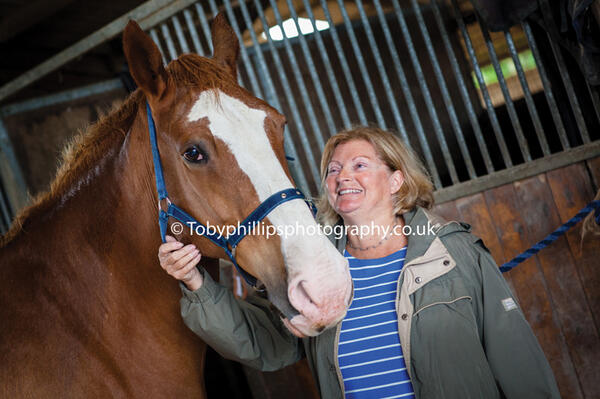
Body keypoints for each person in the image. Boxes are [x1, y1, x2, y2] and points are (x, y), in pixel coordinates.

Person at [158, 126, 560, 398]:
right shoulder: (314, 266)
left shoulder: (453, 252)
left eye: (359, 165)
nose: (341, 176)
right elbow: (266, 345)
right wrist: (196, 282)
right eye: (333, 170)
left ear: (395, 180)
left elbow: (516, 356)